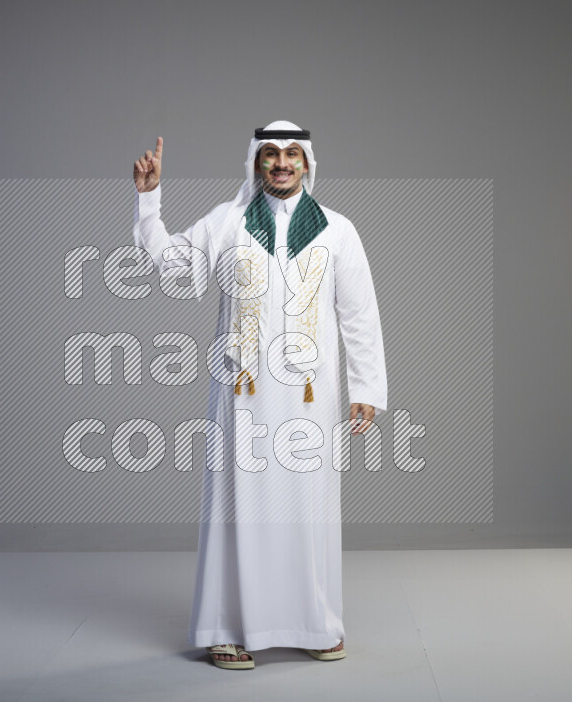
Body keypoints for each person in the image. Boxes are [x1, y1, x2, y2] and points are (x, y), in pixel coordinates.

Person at [132, 120, 387, 670]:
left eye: (292, 154)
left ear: (307, 163)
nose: (281, 163)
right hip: (240, 394)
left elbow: (359, 313)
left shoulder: (337, 231)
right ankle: (227, 629)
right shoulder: (227, 222)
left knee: (308, 508)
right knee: (236, 510)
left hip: (308, 398)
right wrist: (149, 202)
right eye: (270, 154)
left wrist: (366, 386)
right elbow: (176, 267)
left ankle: (314, 622)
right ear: (255, 162)